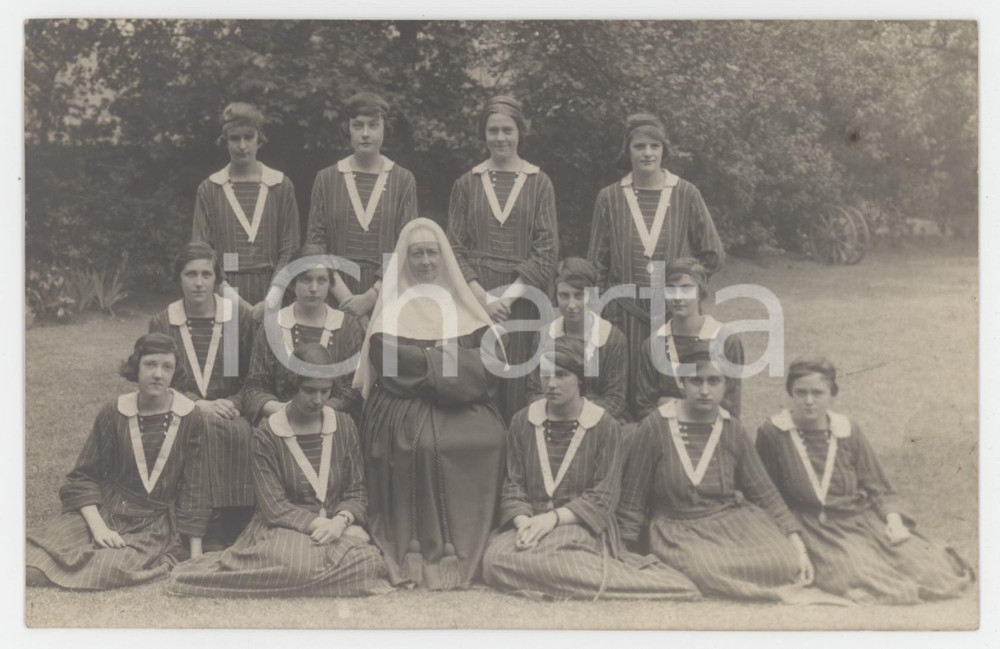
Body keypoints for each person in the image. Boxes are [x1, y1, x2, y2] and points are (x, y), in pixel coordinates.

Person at [483, 338, 700, 601]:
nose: (551, 384)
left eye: (561, 375)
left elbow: (603, 496)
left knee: (556, 549)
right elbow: (513, 485)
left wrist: (552, 520)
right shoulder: (522, 421)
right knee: (493, 560)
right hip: (532, 524)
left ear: (580, 379)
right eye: (546, 375)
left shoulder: (605, 426)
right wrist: (524, 522)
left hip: (580, 526)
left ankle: (650, 584)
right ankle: (567, 573)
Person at [168, 344, 393, 598]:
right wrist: (328, 527)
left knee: (372, 562)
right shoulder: (268, 432)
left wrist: (340, 522)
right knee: (301, 563)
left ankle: (295, 574)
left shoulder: (344, 425)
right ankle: (321, 570)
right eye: (309, 391)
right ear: (291, 386)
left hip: (333, 528)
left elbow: (356, 490)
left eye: (324, 391)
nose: (318, 400)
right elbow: (274, 506)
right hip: (282, 528)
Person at [355, 218, 507, 590]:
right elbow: (390, 365)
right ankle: (425, 555)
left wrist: (428, 363)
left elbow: (488, 366)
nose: (425, 262)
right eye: (416, 254)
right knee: (419, 446)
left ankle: (476, 547)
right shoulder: (391, 309)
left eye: (432, 253)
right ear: (404, 261)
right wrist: (449, 362)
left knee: (490, 439)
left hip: (461, 403)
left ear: (445, 258)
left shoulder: (464, 306)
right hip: (402, 404)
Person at [755, 356, 974, 605]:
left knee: (931, 571)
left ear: (832, 394)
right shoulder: (773, 433)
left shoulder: (847, 429)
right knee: (862, 572)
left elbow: (877, 486)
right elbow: (767, 494)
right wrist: (791, 535)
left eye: (817, 393)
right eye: (800, 392)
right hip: (813, 525)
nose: (808, 401)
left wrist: (892, 519)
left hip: (859, 519)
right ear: (790, 394)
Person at [618, 349, 813, 601]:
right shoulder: (655, 426)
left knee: (785, 561)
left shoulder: (731, 428)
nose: (705, 390)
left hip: (731, 521)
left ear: (726, 385)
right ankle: (748, 588)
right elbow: (634, 494)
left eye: (714, 381)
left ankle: (745, 581)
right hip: (677, 528)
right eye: (696, 381)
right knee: (703, 568)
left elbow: (764, 491)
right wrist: (626, 547)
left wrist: (795, 541)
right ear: (681, 383)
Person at [26, 334, 208, 589]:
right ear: (137, 367)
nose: (158, 373)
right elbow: (82, 476)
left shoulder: (190, 416)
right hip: (107, 509)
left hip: (152, 523)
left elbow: (195, 486)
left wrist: (195, 553)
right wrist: (99, 528)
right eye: (150, 364)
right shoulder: (113, 412)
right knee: (30, 561)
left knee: (106, 567)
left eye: (167, 367)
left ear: (174, 373)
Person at [588, 113, 725, 407]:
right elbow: (597, 262)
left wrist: (686, 287)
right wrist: (599, 311)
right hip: (622, 313)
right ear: (628, 150)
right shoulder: (609, 197)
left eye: (654, 146)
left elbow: (712, 252)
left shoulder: (685, 193)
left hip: (671, 314)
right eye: (639, 146)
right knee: (621, 391)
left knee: (669, 391)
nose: (647, 153)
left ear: (664, 150)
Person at [448, 95, 558, 423]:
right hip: (475, 300)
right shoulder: (466, 183)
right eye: (493, 130)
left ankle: (516, 466)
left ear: (520, 132)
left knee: (518, 381)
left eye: (507, 130)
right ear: (483, 134)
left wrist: (505, 299)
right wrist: (482, 298)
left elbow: (547, 248)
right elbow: (453, 247)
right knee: (478, 381)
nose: (500, 138)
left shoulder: (540, 183)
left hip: (521, 299)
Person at [148, 242, 256, 547]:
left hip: (231, 409)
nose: (198, 282)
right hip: (180, 407)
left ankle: (234, 521)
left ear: (217, 279)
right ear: (178, 278)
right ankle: (202, 527)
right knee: (202, 426)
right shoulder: (162, 321)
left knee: (239, 433)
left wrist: (233, 403)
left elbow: (254, 378)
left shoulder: (238, 319)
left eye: (206, 274)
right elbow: (158, 380)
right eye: (190, 274)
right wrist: (198, 403)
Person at [307, 91, 418, 319]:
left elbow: (405, 246)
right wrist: (348, 301)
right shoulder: (326, 179)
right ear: (347, 128)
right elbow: (316, 246)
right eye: (358, 126)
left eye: (373, 126)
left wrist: (371, 297)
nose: (365, 134)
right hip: (336, 293)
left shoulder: (403, 179)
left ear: (385, 128)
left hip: (386, 294)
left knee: (382, 355)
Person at [193, 102, 301, 315]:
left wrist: (272, 298)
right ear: (225, 141)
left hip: (273, 293)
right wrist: (234, 300)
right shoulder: (210, 188)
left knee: (269, 348)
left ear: (259, 139)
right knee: (230, 349)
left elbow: (290, 247)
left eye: (248, 137)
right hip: (224, 293)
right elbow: (202, 250)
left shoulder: (280, 185)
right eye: (235, 138)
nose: (242, 146)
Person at [242, 244, 367, 425]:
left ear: (329, 284)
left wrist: (323, 409)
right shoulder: (273, 325)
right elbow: (255, 387)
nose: (314, 288)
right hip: (281, 420)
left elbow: (353, 387)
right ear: (293, 283)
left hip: (331, 421)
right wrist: (284, 410)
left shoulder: (347, 326)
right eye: (306, 280)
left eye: (321, 280)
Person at [632, 257, 743, 421]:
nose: (677, 297)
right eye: (670, 289)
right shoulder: (653, 344)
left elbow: (730, 407)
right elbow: (643, 407)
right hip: (666, 433)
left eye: (686, 289)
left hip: (711, 432)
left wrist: (670, 404)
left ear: (700, 291)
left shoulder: (726, 341)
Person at [525, 257, 629, 424]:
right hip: (553, 416)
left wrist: (578, 416)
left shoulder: (612, 338)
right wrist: (559, 414)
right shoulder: (545, 336)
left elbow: (615, 399)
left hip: (599, 420)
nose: (571, 305)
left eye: (579, 296)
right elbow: (534, 391)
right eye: (564, 296)